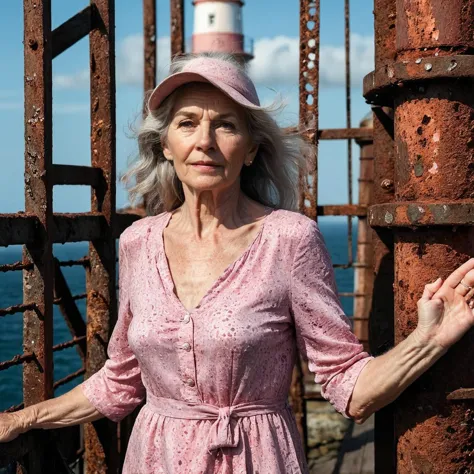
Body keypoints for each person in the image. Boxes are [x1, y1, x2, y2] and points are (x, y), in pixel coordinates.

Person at [1, 53, 474, 474]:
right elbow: (120, 383)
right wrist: (22, 419)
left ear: (250, 148)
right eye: (187, 123)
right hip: (155, 457)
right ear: (165, 144)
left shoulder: (289, 239)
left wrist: (429, 338)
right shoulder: (138, 243)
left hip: (256, 457)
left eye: (226, 124)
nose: (204, 141)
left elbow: (348, 386)